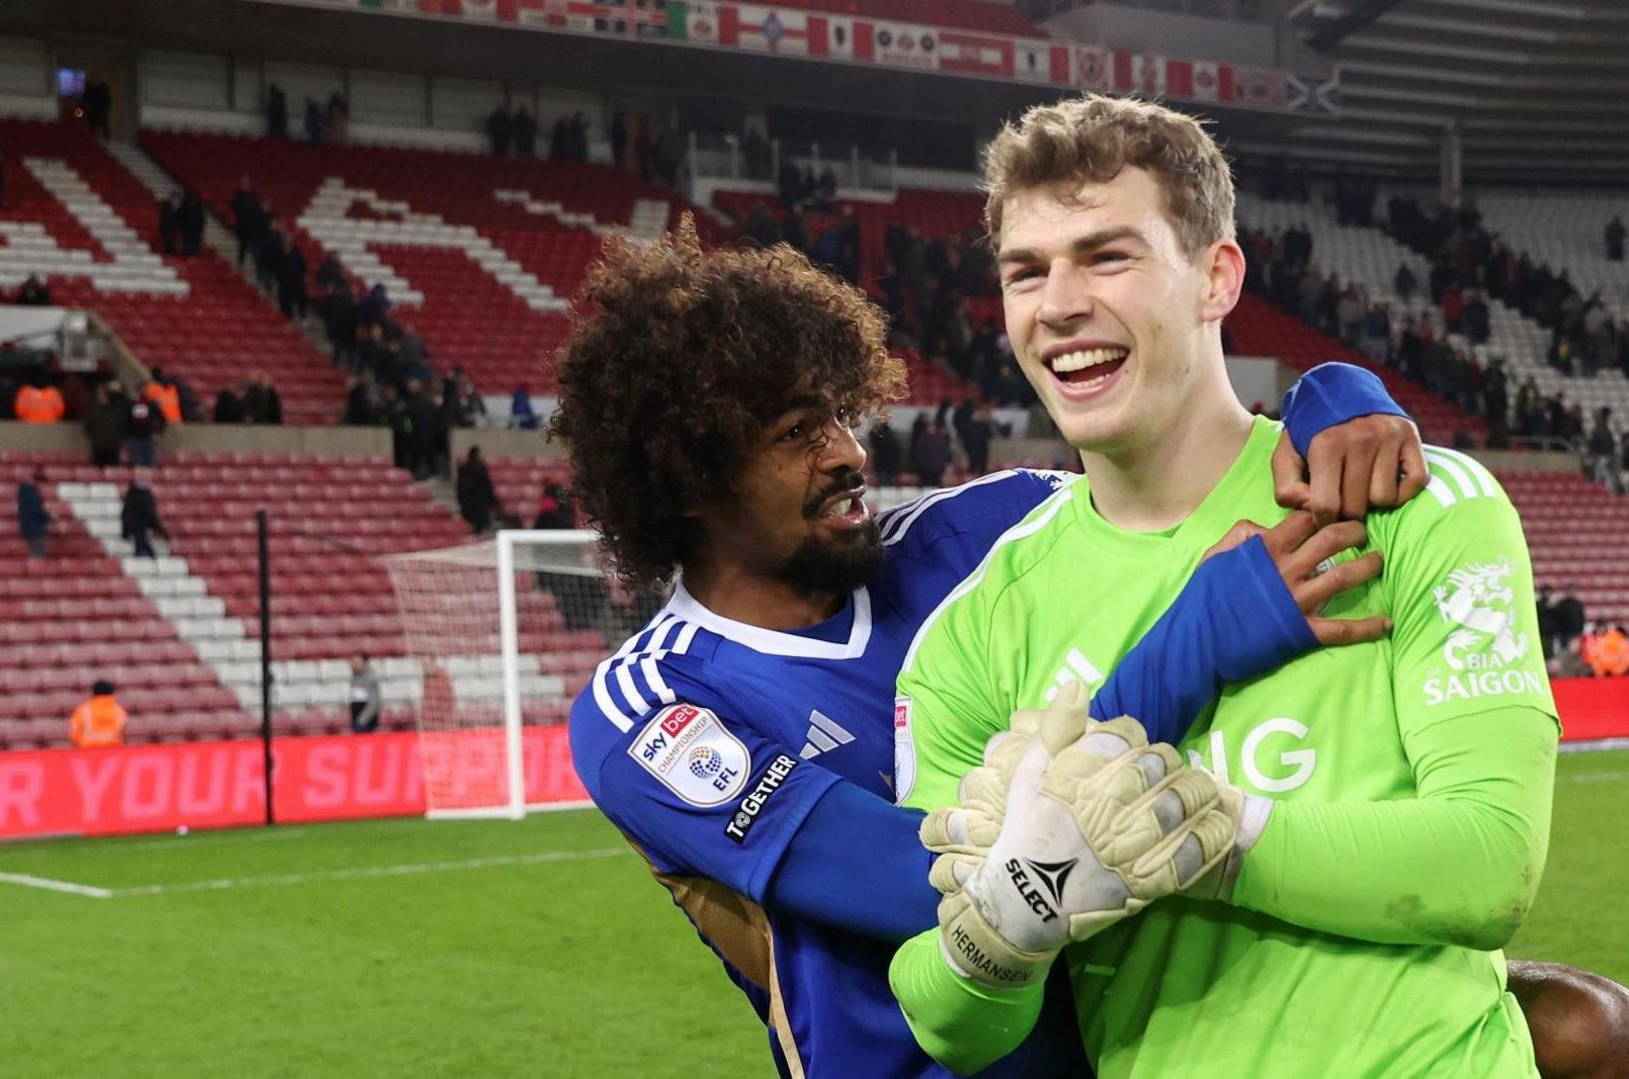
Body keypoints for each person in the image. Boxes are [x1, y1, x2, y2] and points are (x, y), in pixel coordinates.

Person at [551, 222, 1431, 1078]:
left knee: (1565, 1026)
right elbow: (952, 888)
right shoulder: (654, 709)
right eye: (794, 433)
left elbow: (1200, 483)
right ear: (688, 477)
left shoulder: (987, 528)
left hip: (1140, 1046)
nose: (849, 453)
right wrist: (1191, 644)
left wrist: (1333, 401)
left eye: (839, 416)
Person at [890, 93, 1605, 1077]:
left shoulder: (1411, 505)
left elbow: (1488, 865)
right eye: (1027, 271)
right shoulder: (971, 635)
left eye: (1108, 255)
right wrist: (1004, 929)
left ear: (1216, 277)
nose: (1058, 304)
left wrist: (1211, 833)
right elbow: (947, 1019)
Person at [455, 446, 502, 534]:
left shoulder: (463, 469)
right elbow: (487, 485)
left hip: (469, 503)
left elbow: (459, 487)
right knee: (480, 525)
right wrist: (493, 502)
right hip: (479, 502)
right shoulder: (480, 468)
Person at [121, 474, 169, 558]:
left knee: (140, 548)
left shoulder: (130, 496)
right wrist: (161, 530)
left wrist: (125, 531)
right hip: (140, 528)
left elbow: (124, 514)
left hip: (135, 529)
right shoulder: (144, 496)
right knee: (144, 548)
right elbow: (150, 514)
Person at [70, 680, 128, 748]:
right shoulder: (120, 711)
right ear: (111, 693)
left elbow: (74, 734)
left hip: (89, 753)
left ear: (94, 693)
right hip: (113, 753)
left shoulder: (83, 711)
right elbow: (123, 736)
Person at [347, 653, 382, 733]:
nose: (354, 665)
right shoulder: (354, 677)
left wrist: (362, 720)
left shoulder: (370, 678)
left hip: (365, 723)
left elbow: (374, 702)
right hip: (357, 719)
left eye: (357, 662)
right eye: (353, 662)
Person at [18, 472, 51, 558]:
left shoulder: (24, 490)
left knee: (35, 553)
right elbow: (36, 510)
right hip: (35, 528)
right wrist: (49, 516)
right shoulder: (31, 491)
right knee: (38, 555)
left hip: (28, 527)